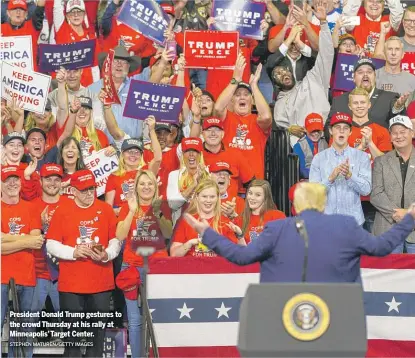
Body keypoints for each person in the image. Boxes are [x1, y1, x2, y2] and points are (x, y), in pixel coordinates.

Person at [183, 182, 415, 283]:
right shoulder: (346, 226)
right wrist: (409, 220)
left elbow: (241, 257)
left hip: (286, 317)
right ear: (323, 205)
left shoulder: (276, 228)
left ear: (295, 207)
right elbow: (383, 247)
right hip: (338, 317)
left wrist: (208, 234)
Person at [45, 169, 121, 357]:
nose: (89, 194)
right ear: (73, 191)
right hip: (71, 284)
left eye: (92, 189)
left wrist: (106, 255)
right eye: (84, 190)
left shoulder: (105, 209)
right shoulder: (62, 211)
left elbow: (115, 241)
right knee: (72, 342)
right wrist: (73, 252)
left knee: (97, 341)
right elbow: (51, 244)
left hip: (101, 283)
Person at [116, 170, 172, 358]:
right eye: (142, 184)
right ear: (136, 187)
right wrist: (132, 211)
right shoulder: (128, 206)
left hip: (156, 268)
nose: (146, 187)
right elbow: (120, 235)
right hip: (132, 267)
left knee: (158, 317)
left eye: (150, 184)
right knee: (135, 319)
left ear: (155, 187)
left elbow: (168, 233)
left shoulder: (161, 206)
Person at [272, 4, 333, 146]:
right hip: (301, 148)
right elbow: (282, 129)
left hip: (327, 139)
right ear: (275, 83)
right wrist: (289, 130)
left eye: (284, 70)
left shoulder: (314, 78)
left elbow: (327, 53)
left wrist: (323, 23)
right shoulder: (280, 104)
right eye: (278, 75)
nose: (283, 74)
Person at [1, 165, 43, 357]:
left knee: (25, 331)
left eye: (16, 179)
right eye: (7, 179)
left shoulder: (31, 207)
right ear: (1, 184)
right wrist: (24, 239)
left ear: (20, 182)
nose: (12, 183)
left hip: (27, 278)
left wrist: (6, 237)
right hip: (1, 278)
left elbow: (36, 242)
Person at [310, 113, 371, 225]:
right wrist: (330, 179)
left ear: (350, 132)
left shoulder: (362, 157)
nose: (342, 131)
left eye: (346, 128)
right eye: (337, 127)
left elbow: (366, 190)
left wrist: (350, 176)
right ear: (331, 131)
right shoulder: (318, 158)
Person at [371, 115, 415, 253]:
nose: (399, 136)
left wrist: (410, 214)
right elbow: (376, 194)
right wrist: (397, 214)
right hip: (387, 229)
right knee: (386, 274)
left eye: (403, 131)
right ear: (390, 137)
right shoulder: (381, 161)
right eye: (394, 132)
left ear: (412, 133)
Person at [171, 180, 238, 257]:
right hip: (192, 267)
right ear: (197, 197)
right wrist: (189, 244)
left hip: (217, 267)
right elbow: (174, 254)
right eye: (204, 196)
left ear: (217, 198)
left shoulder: (225, 222)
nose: (208, 200)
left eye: (212, 197)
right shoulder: (187, 220)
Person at [227, 180, 286, 245]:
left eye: (258, 195)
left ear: (266, 197)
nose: (252, 198)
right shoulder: (240, 220)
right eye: (250, 193)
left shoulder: (277, 216)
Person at [167, 137, 210, 225]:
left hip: (202, 228)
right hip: (180, 228)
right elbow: (172, 204)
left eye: (195, 151)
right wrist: (194, 185)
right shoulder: (174, 175)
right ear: (182, 155)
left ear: (200, 155)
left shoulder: (209, 176)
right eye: (187, 151)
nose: (191, 154)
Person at [293, 113, 328, 179]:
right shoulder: (299, 146)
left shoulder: (325, 143)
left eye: (318, 131)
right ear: (305, 129)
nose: (316, 133)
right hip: (308, 183)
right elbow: (302, 171)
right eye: (312, 131)